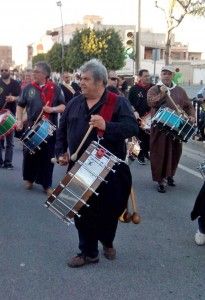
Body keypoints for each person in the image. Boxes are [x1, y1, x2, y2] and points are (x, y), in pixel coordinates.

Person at [55, 58, 139, 268]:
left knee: (110, 211)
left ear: (100, 82)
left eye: (86, 79)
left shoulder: (117, 102)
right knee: (81, 212)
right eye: (80, 78)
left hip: (110, 170)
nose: (81, 82)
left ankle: (107, 240)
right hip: (80, 169)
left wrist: (106, 126)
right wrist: (61, 152)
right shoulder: (75, 102)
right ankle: (88, 252)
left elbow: (132, 128)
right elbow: (62, 130)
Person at [16, 61, 65, 195]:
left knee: (47, 157)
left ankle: (46, 184)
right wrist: (19, 120)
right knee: (29, 156)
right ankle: (29, 179)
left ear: (45, 74)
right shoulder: (28, 88)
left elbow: (63, 106)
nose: (33, 74)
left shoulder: (55, 88)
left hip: (50, 128)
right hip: (32, 126)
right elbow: (20, 106)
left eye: (36, 72)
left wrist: (52, 109)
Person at [147, 65, 195, 193]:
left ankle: (170, 175)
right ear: (160, 75)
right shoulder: (154, 89)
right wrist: (162, 93)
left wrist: (191, 116)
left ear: (173, 75)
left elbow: (189, 106)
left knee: (175, 152)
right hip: (160, 127)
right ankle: (160, 180)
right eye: (164, 73)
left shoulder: (180, 90)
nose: (167, 75)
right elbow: (151, 103)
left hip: (177, 126)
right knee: (159, 153)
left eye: (169, 73)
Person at [128, 69, 153, 164]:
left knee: (148, 137)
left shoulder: (153, 87)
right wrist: (134, 111)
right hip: (138, 117)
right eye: (145, 76)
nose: (147, 78)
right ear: (140, 77)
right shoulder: (134, 89)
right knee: (139, 137)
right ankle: (139, 155)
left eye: (148, 76)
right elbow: (129, 103)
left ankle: (146, 153)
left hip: (150, 117)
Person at [0, 62, 21, 169]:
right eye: (2, 70)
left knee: (10, 141)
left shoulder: (15, 83)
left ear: (9, 71)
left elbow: (20, 97)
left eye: (6, 70)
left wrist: (13, 98)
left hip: (11, 115)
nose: (4, 72)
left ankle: (8, 162)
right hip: (0, 115)